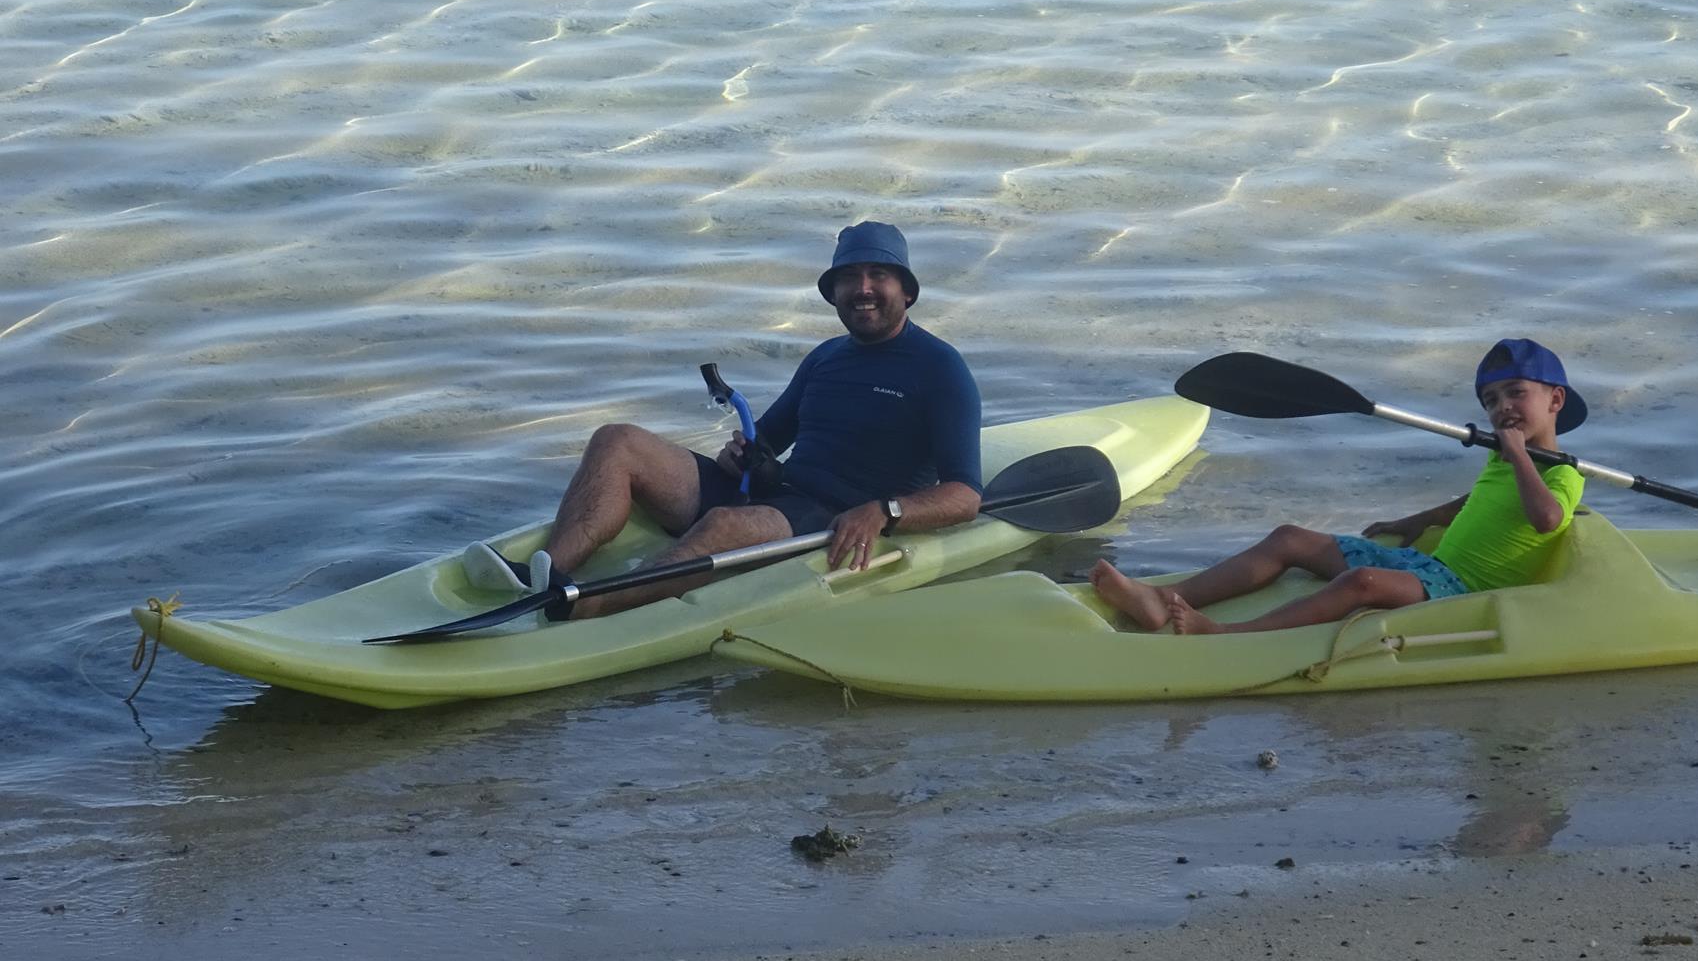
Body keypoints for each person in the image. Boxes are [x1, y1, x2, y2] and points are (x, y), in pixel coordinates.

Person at [464, 222, 983, 620]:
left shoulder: (939, 369)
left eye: (878, 275)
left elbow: (965, 495)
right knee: (617, 440)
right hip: (780, 496)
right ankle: (546, 572)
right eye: (848, 278)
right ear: (834, 294)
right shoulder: (826, 358)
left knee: (724, 525)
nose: (862, 288)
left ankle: (587, 607)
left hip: (835, 519)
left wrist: (882, 511)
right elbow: (770, 438)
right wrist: (739, 457)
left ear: (907, 290)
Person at [1092, 338, 1588, 635]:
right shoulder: (1505, 460)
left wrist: (1519, 455)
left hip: (1464, 593)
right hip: (1432, 567)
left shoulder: (1562, 473)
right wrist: (1415, 520)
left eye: (1516, 393)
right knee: (1289, 537)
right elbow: (1478, 503)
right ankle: (1165, 597)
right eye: (1490, 398)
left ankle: (1225, 633)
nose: (1502, 407)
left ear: (1555, 400)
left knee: (1361, 584)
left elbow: (1546, 520)